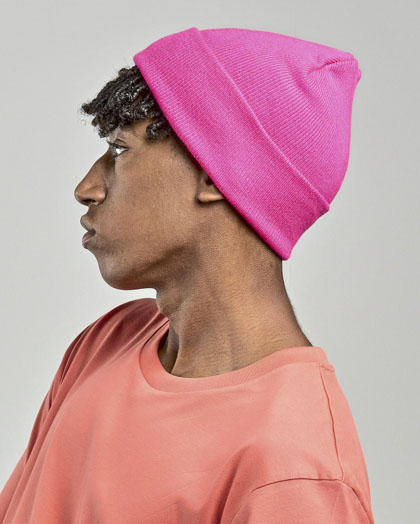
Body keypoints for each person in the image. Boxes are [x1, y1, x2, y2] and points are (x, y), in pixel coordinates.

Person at [0, 26, 374, 523]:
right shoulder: (107, 341)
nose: (86, 188)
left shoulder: (295, 470)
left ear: (214, 174)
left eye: (119, 150)